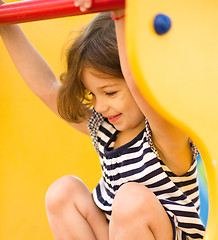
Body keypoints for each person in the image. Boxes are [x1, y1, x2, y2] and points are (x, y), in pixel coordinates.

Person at [0, 0, 205, 239]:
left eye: (110, 92)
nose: (99, 106)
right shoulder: (105, 129)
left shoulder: (168, 136)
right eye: (92, 94)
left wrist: (119, 10)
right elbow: (47, 88)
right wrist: (7, 26)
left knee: (130, 200)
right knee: (63, 193)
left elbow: (137, 84)